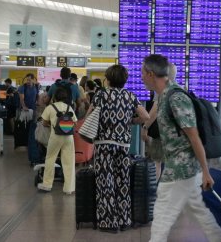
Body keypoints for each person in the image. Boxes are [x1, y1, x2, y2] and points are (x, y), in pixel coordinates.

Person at [141, 54, 221, 242]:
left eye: (142, 72)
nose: (140, 77)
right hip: (185, 169)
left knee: (162, 216)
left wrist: (206, 171)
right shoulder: (164, 96)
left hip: (180, 170)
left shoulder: (176, 97)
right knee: (200, 212)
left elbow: (194, 136)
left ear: (150, 74)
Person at [88, 65, 149, 233]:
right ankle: (124, 220)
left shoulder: (100, 95)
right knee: (122, 182)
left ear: (108, 79)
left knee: (105, 183)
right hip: (123, 145)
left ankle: (109, 223)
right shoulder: (130, 96)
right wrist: (130, 121)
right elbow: (146, 116)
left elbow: (89, 117)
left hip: (103, 145)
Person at [37, 87, 77, 194]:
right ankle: (69, 188)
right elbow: (75, 122)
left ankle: (47, 184)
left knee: (50, 158)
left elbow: (44, 123)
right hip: (68, 137)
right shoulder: (69, 107)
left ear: (54, 97)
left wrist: (53, 125)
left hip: (55, 137)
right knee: (69, 161)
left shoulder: (50, 107)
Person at [141, 63, 177, 180]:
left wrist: (145, 127)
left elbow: (155, 110)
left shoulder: (163, 89)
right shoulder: (177, 88)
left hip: (163, 134)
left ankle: (155, 190)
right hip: (177, 134)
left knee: (156, 161)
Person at [18, 73, 40, 165]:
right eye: (27, 80)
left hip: (34, 110)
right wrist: (24, 107)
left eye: (30, 80)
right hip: (25, 111)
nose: (28, 82)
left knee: (32, 129)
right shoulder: (22, 87)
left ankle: (30, 147)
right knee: (25, 129)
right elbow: (21, 99)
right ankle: (25, 146)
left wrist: (38, 104)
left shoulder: (36, 86)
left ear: (34, 80)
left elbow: (37, 96)